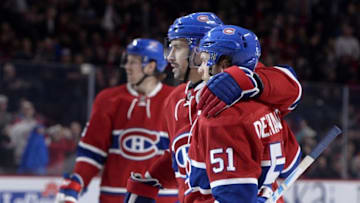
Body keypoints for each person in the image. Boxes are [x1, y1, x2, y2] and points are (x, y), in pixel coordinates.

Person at [125, 12, 301, 203]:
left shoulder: (243, 92)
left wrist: (247, 80)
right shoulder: (175, 100)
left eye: (177, 48)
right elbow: (184, 155)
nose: (170, 57)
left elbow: (290, 86)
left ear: (198, 50)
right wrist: (152, 179)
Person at [186, 25, 301, 203]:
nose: (200, 69)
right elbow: (293, 160)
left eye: (204, 60)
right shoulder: (268, 103)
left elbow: (233, 198)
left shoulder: (221, 119)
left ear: (223, 65)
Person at [55, 38, 178, 203]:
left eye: (133, 62)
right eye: (127, 61)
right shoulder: (108, 99)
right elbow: (92, 151)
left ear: (151, 66)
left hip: (164, 198)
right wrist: (77, 183)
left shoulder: (176, 99)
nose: (127, 67)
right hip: (115, 196)